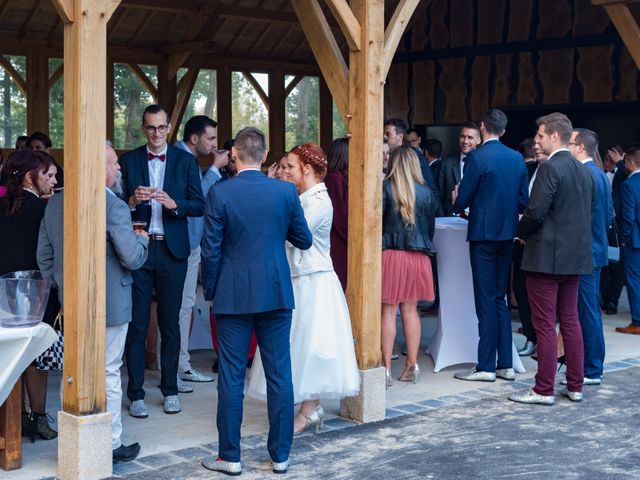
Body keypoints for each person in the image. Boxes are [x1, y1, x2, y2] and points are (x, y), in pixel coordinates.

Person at [200, 127, 312, 476]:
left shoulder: (220, 193)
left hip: (233, 295)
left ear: (233, 153)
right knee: (280, 374)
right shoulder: (284, 192)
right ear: (265, 156)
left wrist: (211, 292)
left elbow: (211, 249)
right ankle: (280, 456)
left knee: (231, 377)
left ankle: (229, 457)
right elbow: (304, 240)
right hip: (276, 291)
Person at [37, 143, 149, 463]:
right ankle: (111, 443)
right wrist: (142, 241)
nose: (118, 170)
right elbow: (131, 257)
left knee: (72, 374)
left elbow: (44, 256)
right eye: (113, 164)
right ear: (98, 168)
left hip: (70, 302)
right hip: (111, 303)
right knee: (109, 372)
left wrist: (61, 285)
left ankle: (73, 444)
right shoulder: (113, 206)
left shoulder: (55, 203)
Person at [248, 142, 360, 433]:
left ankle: (309, 410)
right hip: (296, 279)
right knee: (294, 346)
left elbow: (290, 234)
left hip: (315, 282)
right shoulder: (300, 196)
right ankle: (304, 407)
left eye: (290, 167)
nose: (285, 171)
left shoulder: (320, 202)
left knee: (313, 347)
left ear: (306, 170)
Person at [120, 104, 205, 417]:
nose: (156, 133)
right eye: (150, 127)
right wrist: (131, 201)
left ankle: (170, 389)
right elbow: (115, 204)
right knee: (137, 324)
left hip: (173, 251)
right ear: (143, 128)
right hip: (139, 250)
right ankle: (137, 394)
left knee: (170, 324)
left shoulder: (185, 160)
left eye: (161, 127)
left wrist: (174, 204)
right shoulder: (129, 160)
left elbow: (199, 204)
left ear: (169, 128)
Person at [509, 112, 594, 405]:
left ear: (555, 137)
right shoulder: (585, 170)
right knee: (570, 321)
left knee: (545, 325)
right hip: (575, 258)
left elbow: (536, 212)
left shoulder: (549, 168)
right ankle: (575, 385)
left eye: (541, 136)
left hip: (545, 258)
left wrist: (519, 231)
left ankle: (543, 389)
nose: (537, 141)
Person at [452, 109, 528, 383]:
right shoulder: (517, 158)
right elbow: (523, 201)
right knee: (500, 298)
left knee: (485, 299)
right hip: (507, 234)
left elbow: (464, 198)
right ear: (504, 131)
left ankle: (485, 365)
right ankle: (505, 363)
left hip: (483, 234)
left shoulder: (477, 157)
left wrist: (457, 201)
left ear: (483, 128)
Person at [0, 149, 58, 441]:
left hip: (3, 293)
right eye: (48, 175)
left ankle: (15, 416)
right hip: (37, 292)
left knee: (9, 356)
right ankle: (38, 418)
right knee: (37, 356)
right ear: (28, 177)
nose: (54, 180)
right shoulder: (44, 209)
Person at [173, 115, 227, 386]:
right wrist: (216, 168)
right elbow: (200, 198)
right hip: (186, 243)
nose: (214, 144)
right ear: (194, 139)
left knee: (183, 307)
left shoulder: (185, 158)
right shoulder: (184, 159)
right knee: (183, 307)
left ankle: (178, 364)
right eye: (211, 138)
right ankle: (180, 366)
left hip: (186, 242)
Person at [381, 146, 438, 387]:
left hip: (391, 254)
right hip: (417, 256)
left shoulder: (385, 188)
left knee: (387, 311)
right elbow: (431, 229)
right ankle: (411, 365)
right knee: (411, 311)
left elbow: (378, 224)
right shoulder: (427, 193)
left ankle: (384, 369)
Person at [567, 128, 613, 385]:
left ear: (580, 147)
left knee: (587, 312)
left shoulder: (585, 173)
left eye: (570, 143)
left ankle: (592, 368)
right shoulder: (599, 174)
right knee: (588, 310)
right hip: (595, 249)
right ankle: (589, 365)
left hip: (586, 253)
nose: (568, 147)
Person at [616, 147, 640, 335]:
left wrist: (623, 239)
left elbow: (628, 217)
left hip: (635, 241)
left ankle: (638, 322)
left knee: (634, 280)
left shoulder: (628, 185)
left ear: (630, 163)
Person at [437, 122, 481, 216]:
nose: (465, 141)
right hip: (451, 221)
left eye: (470, 137)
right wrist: (443, 218)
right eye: (462, 136)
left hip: (476, 220)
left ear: (478, 140)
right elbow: (439, 196)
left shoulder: (485, 164)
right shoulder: (446, 164)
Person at [324, 138, 349, 291]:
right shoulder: (335, 179)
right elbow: (338, 215)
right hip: (338, 240)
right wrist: (353, 238)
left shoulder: (342, 177)